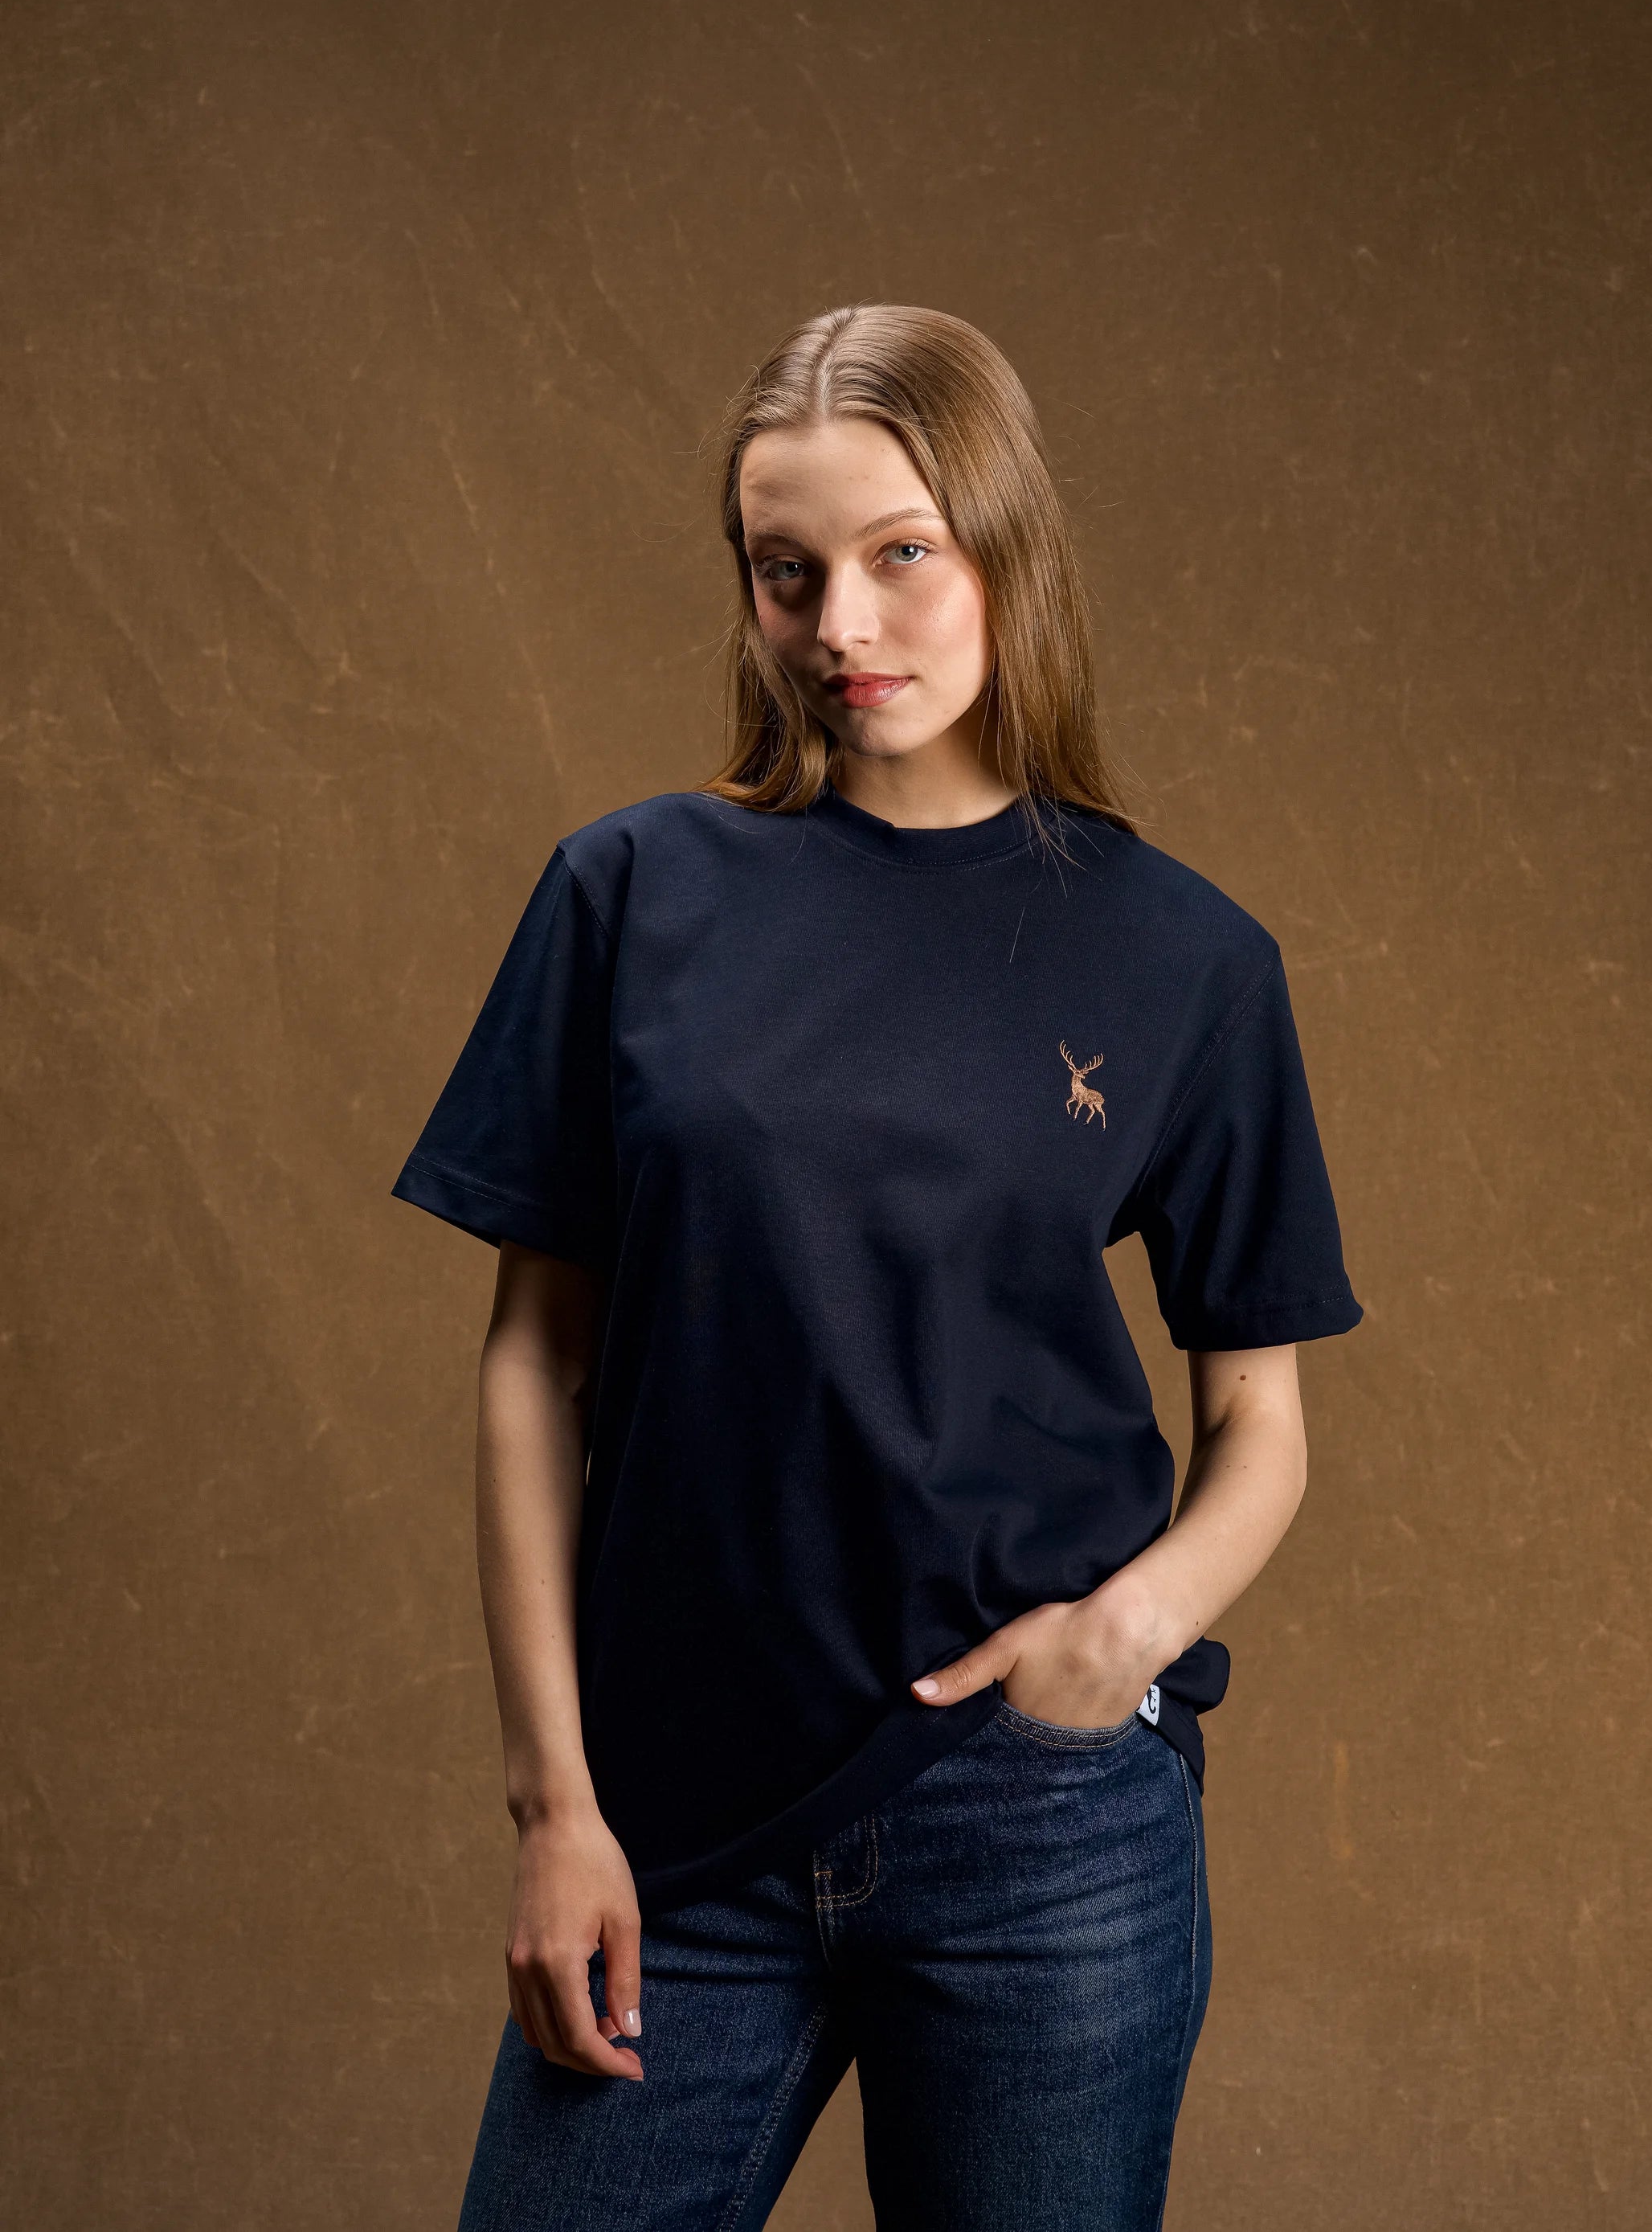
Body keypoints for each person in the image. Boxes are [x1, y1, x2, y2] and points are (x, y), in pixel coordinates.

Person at [391, 302, 1364, 2231]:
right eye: (787, 571)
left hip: (1040, 1830)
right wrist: (556, 1805)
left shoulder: (1185, 958)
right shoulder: (630, 895)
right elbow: (532, 1366)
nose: (842, 624)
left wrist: (1124, 1639)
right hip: (674, 1812)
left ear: (1005, 547)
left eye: (901, 555)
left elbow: (1260, 1413)